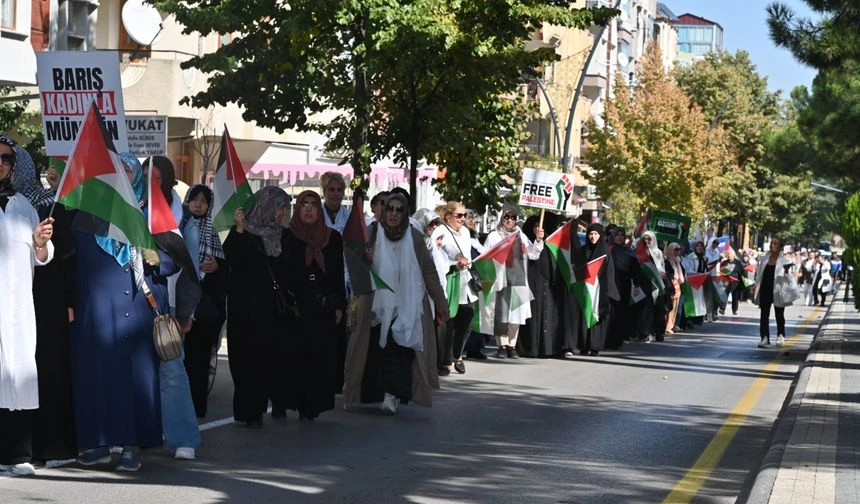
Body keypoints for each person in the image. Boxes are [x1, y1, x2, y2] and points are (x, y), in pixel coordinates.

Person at [71, 153, 174, 472]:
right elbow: (72, 261)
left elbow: (176, 257)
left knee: (134, 378)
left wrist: (157, 258)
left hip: (136, 307)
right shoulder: (89, 212)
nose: (123, 175)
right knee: (98, 376)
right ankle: (99, 442)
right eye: (116, 170)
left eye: (128, 169)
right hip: (98, 308)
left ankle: (131, 445)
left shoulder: (153, 212)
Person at [344, 193, 449, 414]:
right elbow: (354, 261)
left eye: (398, 210)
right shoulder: (372, 233)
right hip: (376, 304)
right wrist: (366, 257)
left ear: (405, 213)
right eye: (389, 208)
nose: (393, 214)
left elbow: (429, 273)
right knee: (374, 350)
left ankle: (391, 395)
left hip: (406, 305)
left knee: (399, 349)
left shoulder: (415, 237)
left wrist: (440, 303)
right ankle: (369, 393)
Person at [11, 147, 77, 465]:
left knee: (47, 373)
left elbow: (64, 257)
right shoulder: (10, 204)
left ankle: (51, 447)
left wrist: (69, 301)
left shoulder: (46, 205)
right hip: (16, 300)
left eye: (10, 162)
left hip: (48, 305)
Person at [0, 136, 55, 476]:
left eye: (6, 159)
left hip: (18, 308)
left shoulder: (25, 207)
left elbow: (42, 258)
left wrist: (39, 244)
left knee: (18, 377)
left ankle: (15, 454)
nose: (0, 163)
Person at [223, 186, 293, 426]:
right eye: (281, 207)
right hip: (246, 311)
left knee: (269, 359)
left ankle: (269, 404)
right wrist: (240, 231)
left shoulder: (284, 235)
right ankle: (248, 410)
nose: (284, 212)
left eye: (285, 207)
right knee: (246, 360)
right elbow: (229, 259)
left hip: (274, 311)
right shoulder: (244, 233)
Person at [283, 190, 345, 420]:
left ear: (320, 210)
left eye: (313, 204)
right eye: (304, 204)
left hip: (323, 307)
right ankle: (294, 401)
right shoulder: (287, 236)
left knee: (320, 357)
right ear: (297, 209)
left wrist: (339, 305)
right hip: (296, 308)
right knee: (295, 357)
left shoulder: (332, 238)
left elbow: (337, 274)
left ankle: (313, 405)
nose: (308, 209)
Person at [181, 185, 227, 419]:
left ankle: (196, 407)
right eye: (194, 199)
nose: (198, 204)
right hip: (179, 303)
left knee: (198, 360)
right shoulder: (177, 224)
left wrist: (217, 267)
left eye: (204, 201)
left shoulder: (216, 233)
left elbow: (226, 271)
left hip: (203, 307)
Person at [482, 205, 543, 359]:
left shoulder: (520, 235)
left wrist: (538, 240)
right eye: (506, 217)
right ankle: (501, 345)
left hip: (518, 279)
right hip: (501, 279)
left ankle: (512, 345)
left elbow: (533, 254)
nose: (509, 220)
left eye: (513, 218)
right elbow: (485, 256)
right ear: (502, 218)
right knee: (501, 314)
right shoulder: (494, 236)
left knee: (516, 315)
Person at [431, 201, 478, 375]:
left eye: (464, 215)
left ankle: (457, 353)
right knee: (448, 323)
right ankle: (446, 360)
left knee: (467, 319)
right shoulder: (441, 230)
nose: (462, 219)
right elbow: (447, 248)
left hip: (466, 281)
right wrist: (457, 258)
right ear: (448, 216)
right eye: (459, 215)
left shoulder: (465, 231)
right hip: (450, 278)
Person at [519, 213, 565, 357]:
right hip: (533, 283)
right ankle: (531, 348)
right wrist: (538, 239)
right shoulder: (526, 241)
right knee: (533, 315)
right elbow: (532, 255)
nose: (539, 229)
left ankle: (549, 348)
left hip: (550, 285)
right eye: (536, 227)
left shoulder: (552, 243)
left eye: (541, 227)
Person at [571, 223, 618, 355]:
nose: (593, 237)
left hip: (600, 290)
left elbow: (609, 273)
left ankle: (595, 345)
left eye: (596, 234)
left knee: (597, 316)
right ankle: (584, 345)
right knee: (584, 316)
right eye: (590, 234)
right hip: (585, 290)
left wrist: (608, 291)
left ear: (600, 235)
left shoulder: (605, 252)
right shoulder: (582, 251)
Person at [605, 227, 647, 349]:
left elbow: (636, 272)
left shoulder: (629, 253)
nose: (619, 237)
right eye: (617, 235)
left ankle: (617, 340)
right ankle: (606, 339)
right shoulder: (607, 250)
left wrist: (638, 284)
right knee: (609, 313)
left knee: (621, 313)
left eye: (621, 235)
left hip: (623, 286)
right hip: (608, 285)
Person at [753, 238, 794, 348]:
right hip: (765, 290)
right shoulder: (763, 259)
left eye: (775, 244)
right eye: (771, 243)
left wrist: (786, 271)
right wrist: (755, 286)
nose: (772, 245)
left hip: (778, 290)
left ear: (781, 247)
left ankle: (780, 335)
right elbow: (759, 275)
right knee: (764, 315)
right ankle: (764, 338)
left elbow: (789, 279)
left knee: (779, 314)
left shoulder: (785, 261)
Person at [463, 208, 489, 360]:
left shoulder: (475, 239)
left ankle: (475, 347)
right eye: (467, 217)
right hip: (467, 280)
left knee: (477, 315)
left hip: (477, 281)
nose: (471, 220)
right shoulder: (463, 238)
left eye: (473, 217)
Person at [636, 231, 667, 342]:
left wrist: (662, 273)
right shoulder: (640, 252)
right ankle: (644, 333)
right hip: (644, 284)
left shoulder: (658, 252)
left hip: (657, 284)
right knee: (645, 310)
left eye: (649, 239)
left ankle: (658, 332)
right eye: (645, 239)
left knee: (658, 310)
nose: (647, 241)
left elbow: (661, 266)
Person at [663, 242, 685, 334]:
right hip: (670, 286)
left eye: (678, 249)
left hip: (677, 286)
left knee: (675, 307)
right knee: (669, 306)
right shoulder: (667, 261)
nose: (677, 251)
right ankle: (666, 326)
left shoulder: (678, 260)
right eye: (675, 249)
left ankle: (671, 325)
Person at [723, 249, 745, 315]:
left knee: (735, 296)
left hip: (735, 282)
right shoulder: (725, 262)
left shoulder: (738, 263)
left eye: (730, 254)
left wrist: (744, 280)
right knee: (724, 295)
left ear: (733, 255)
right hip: (726, 281)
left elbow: (743, 272)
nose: (729, 256)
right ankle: (722, 309)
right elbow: (722, 270)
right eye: (728, 254)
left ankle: (734, 310)